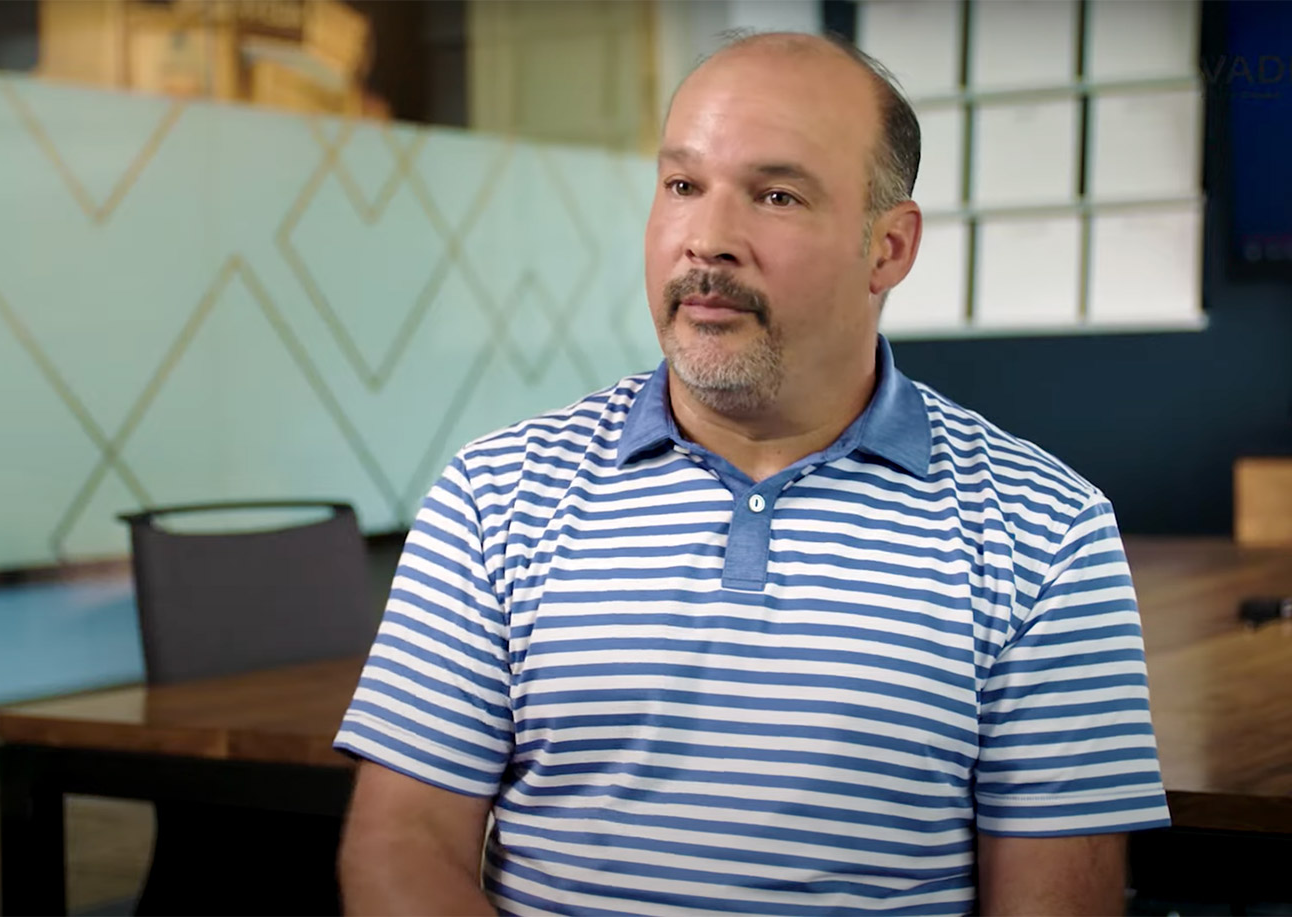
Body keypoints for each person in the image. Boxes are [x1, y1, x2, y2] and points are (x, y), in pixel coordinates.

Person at [333, 31, 1170, 917]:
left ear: (888, 247)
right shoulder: (493, 494)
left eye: (775, 195)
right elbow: (402, 847)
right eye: (683, 186)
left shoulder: (1048, 533)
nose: (707, 239)